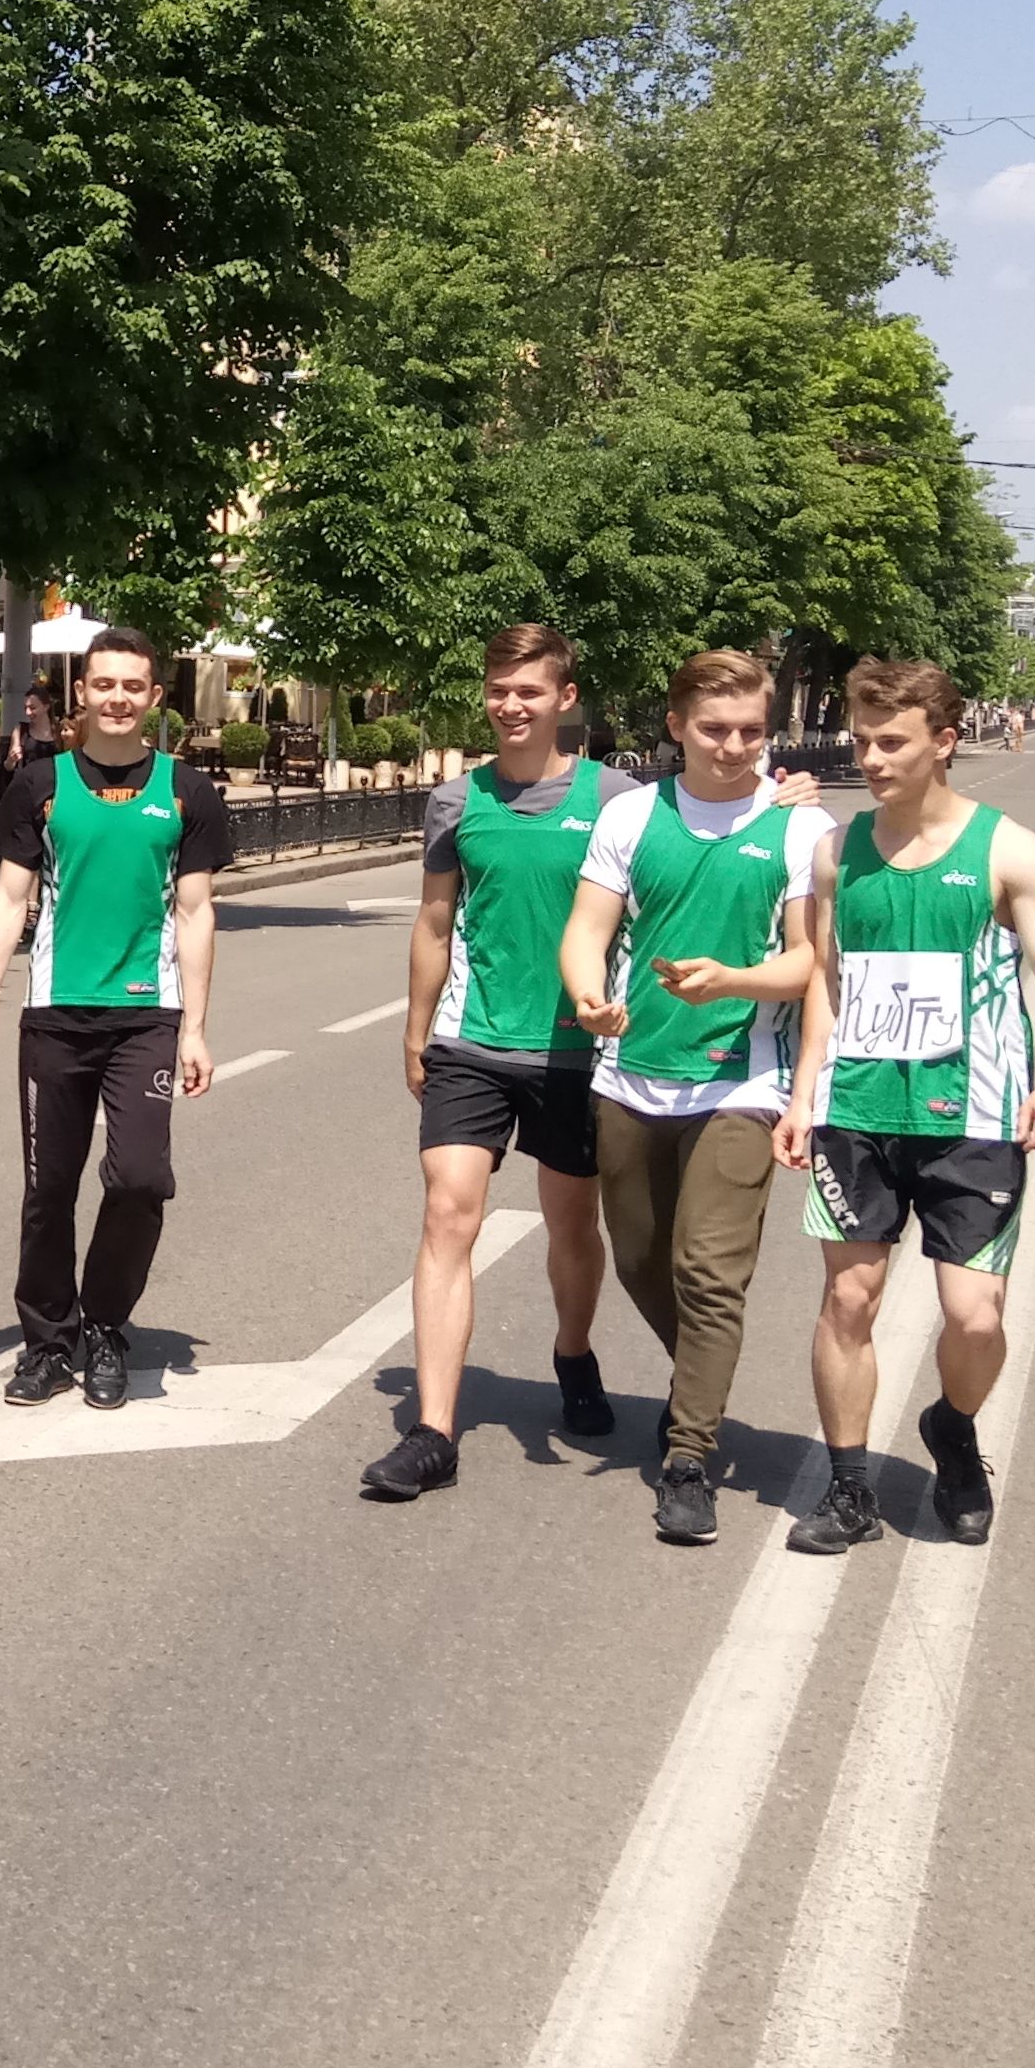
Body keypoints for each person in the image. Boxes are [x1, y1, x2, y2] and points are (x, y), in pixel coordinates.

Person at [367, 629, 827, 1503]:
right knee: (447, 1213)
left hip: (580, 1054)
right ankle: (433, 1430)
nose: (512, 705)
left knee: (579, 1229)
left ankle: (575, 1353)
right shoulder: (455, 801)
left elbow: (711, 807)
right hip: (474, 1041)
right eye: (500, 689)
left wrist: (781, 792)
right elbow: (435, 923)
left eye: (530, 691)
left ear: (565, 698)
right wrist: (416, 1029)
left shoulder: (617, 797)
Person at [776, 659, 1035, 1555]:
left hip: (976, 1115)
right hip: (859, 1110)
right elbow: (828, 980)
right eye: (862, 741)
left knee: (974, 1315)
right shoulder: (836, 852)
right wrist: (804, 1091)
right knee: (849, 1299)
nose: (870, 759)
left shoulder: (1007, 850)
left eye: (892, 742)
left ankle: (952, 1425)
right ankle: (849, 1489)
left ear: (944, 742)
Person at [555, 647, 825, 1548]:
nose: (734, 746)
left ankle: (688, 1457)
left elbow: (808, 962)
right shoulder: (632, 816)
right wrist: (589, 996)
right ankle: (702, 1377)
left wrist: (735, 981)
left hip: (741, 1082)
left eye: (752, 730)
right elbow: (587, 929)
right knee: (641, 1261)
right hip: (630, 1077)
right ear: (676, 727)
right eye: (714, 729)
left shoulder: (797, 830)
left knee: (708, 1272)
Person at [0, 626, 231, 1412]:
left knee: (141, 1178)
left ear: (154, 696)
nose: (117, 698)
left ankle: (106, 1324)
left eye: (132, 686)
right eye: (103, 683)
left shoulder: (187, 791)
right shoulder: (39, 785)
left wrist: (195, 1028)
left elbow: (196, 913)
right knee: (49, 1188)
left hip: (146, 1016)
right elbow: (10, 898)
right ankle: (49, 1343)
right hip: (54, 1014)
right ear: (83, 691)